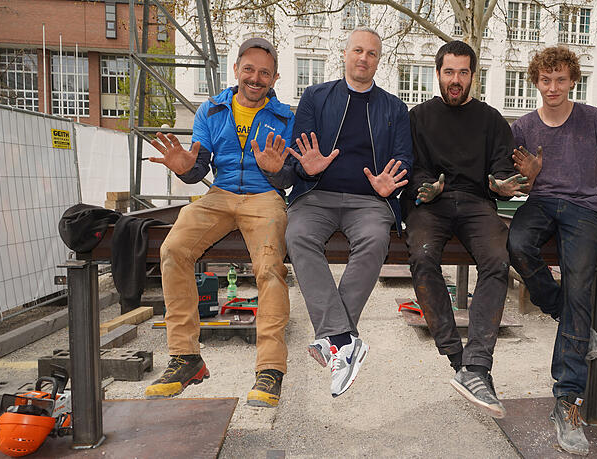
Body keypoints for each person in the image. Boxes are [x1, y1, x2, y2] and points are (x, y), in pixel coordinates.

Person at [507, 46, 597, 455]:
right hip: (539, 205)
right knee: (516, 244)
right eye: (545, 80)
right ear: (535, 82)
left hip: (584, 208)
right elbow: (518, 184)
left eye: (560, 79)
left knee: (580, 288)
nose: (552, 87)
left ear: (573, 80)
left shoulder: (594, 119)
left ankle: (567, 405)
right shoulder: (522, 128)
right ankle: (564, 313)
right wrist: (527, 181)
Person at [144, 37, 296, 408]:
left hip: (264, 198)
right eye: (249, 70)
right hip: (220, 193)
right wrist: (184, 169)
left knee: (270, 269)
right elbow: (198, 167)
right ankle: (186, 358)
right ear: (236, 70)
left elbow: (289, 175)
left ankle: (270, 368)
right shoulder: (210, 111)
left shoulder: (286, 117)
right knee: (173, 249)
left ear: (274, 78)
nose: (256, 78)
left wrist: (278, 173)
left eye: (264, 73)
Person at [284, 27, 413, 397]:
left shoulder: (394, 107)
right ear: (344, 54)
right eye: (358, 50)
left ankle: (334, 339)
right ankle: (343, 338)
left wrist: (392, 181)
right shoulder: (315, 96)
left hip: (370, 201)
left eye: (372, 53)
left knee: (375, 239)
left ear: (378, 60)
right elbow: (299, 148)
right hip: (317, 194)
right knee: (296, 234)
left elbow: (404, 157)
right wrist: (307, 167)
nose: (364, 58)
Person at [405, 41, 530, 418]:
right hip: (432, 204)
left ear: (473, 75)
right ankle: (457, 357)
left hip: (477, 204)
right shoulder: (419, 117)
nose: (455, 80)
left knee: (497, 259)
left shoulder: (492, 119)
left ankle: (476, 366)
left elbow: (501, 171)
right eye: (449, 72)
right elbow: (411, 168)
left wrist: (503, 184)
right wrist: (424, 187)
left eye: (463, 72)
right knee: (423, 257)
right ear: (437, 73)